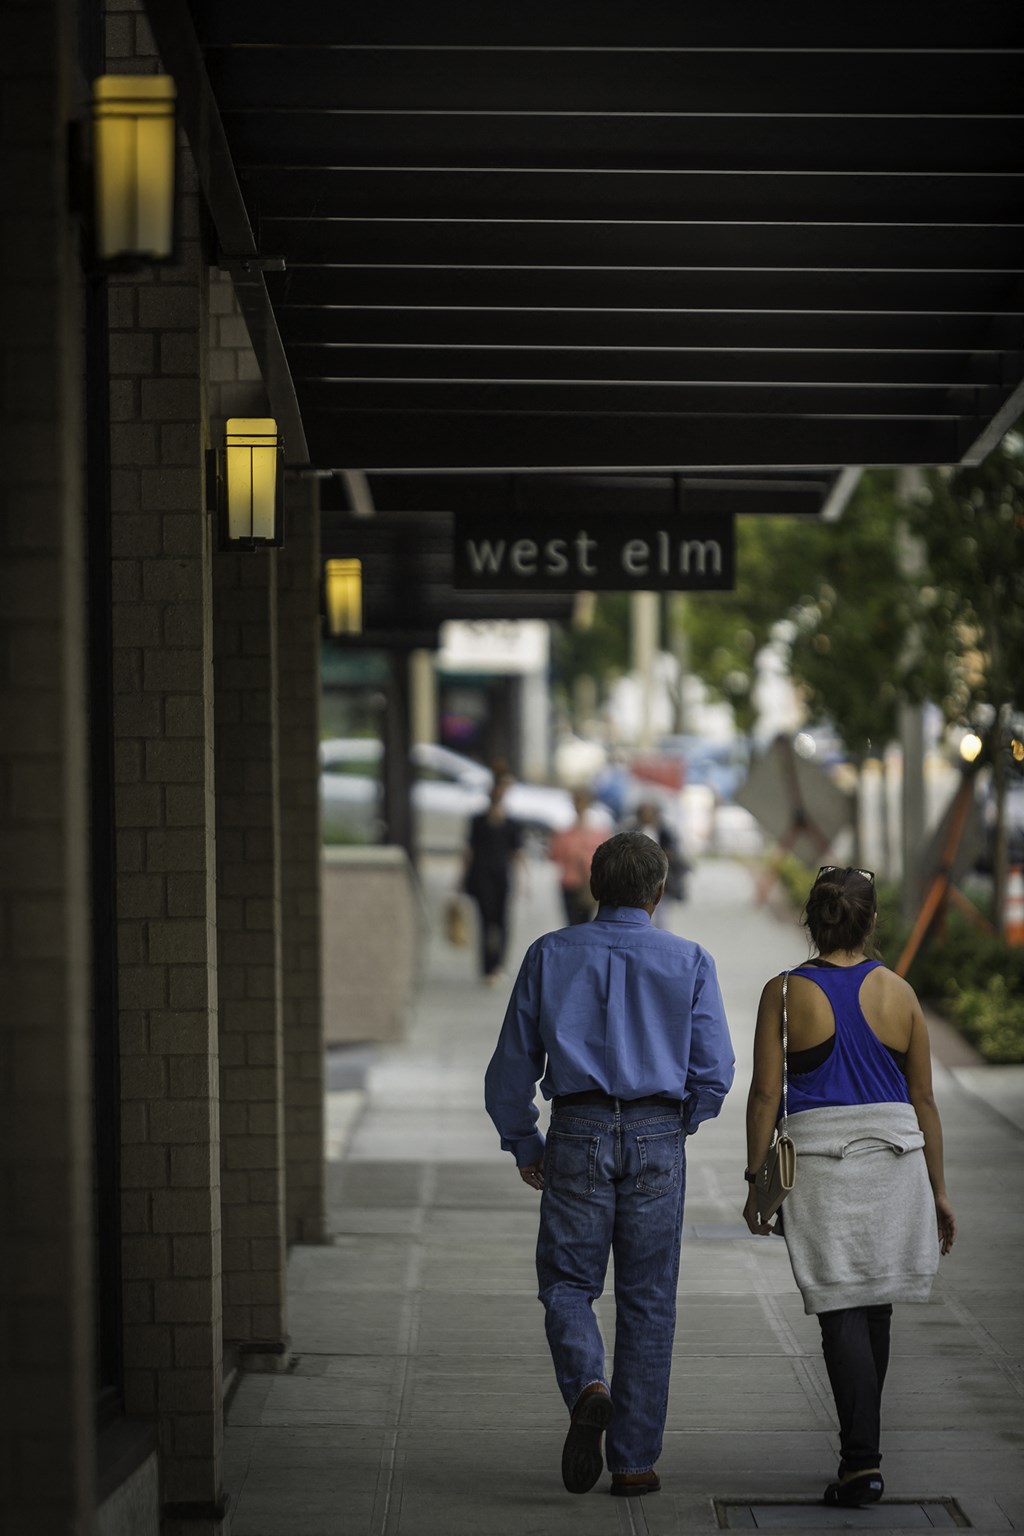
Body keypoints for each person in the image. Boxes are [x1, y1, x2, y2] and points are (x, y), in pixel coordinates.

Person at [484, 832, 734, 1498]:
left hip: (577, 1129)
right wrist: (680, 1122)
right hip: (657, 1133)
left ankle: (589, 1383)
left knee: (568, 1282)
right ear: (658, 892)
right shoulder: (691, 960)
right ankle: (633, 1463)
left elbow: (511, 1067)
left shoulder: (550, 954)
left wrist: (524, 1141)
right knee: (648, 1301)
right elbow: (715, 1069)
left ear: (592, 887)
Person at [743, 865, 956, 1509]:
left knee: (840, 1308)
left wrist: (758, 1178)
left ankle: (862, 1462)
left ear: (814, 921)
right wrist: (939, 1190)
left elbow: (764, 1094)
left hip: (822, 1167)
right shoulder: (901, 993)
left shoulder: (783, 994)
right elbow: (923, 1099)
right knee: (876, 1305)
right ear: (870, 922)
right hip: (896, 1161)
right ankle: (862, 1453)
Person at [462, 770, 524, 985]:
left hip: (501, 874)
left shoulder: (511, 822)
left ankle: (497, 964)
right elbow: (469, 850)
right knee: (486, 919)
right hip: (482, 874)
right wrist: (461, 877)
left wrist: (524, 879)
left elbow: (517, 852)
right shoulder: (479, 820)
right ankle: (487, 966)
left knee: (502, 921)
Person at [623, 799, 690, 927]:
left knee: (661, 915)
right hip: (638, 876)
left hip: (661, 876)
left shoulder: (665, 830)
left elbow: (673, 850)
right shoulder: (632, 829)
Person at [547, 790, 606, 925]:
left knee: (587, 923)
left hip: (589, 885)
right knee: (572, 923)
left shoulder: (598, 832)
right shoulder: (564, 833)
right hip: (570, 884)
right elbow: (554, 855)